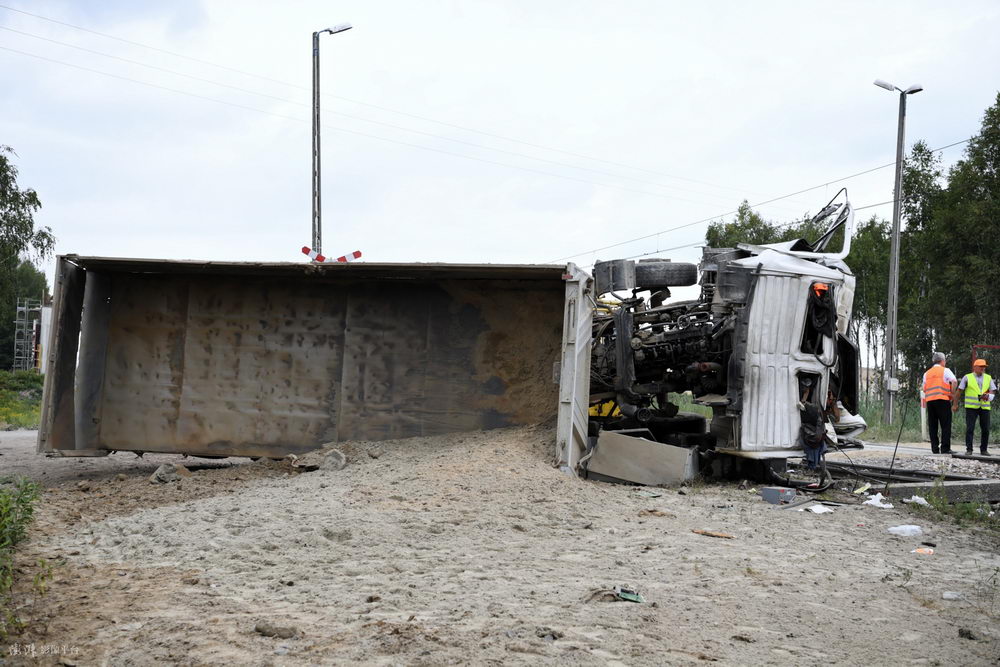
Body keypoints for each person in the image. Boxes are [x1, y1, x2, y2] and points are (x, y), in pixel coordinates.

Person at [955, 358, 994, 455]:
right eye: (981, 367)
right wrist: (955, 404)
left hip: (985, 407)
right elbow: (959, 391)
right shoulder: (967, 377)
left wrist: (989, 395)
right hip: (971, 407)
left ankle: (984, 450)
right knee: (970, 429)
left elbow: (993, 390)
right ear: (975, 367)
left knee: (985, 429)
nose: (983, 368)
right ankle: (969, 449)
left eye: (984, 367)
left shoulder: (988, 378)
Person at [922, 352, 957, 454]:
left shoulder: (926, 373)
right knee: (945, 425)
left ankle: (935, 449)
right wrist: (952, 394)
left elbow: (924, 389)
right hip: (942, 400)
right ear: (942, 361)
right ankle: (945, 448)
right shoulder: (945, 370)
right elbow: (954, 381)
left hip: (930, 401)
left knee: (933, 425)